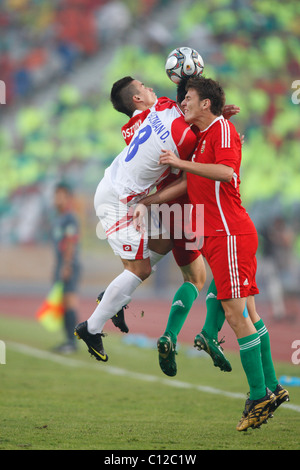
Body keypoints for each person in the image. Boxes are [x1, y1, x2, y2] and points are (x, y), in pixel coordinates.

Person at [154, 76, 289, 431]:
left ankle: (258, 395)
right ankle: (272, 386)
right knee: (250, 313)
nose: (183, 102)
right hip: (219, 236)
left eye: (190, 98)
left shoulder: (221, 131)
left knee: (235, 315)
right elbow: (190, 181)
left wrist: (181, 163)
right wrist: (146, 202)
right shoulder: (204, 139)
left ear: (206, 104)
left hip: (229, 234)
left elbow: (227, 172)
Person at [74, 77, 206, 364]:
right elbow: (186, 174)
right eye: (143, 86)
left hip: (123, 193)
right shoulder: (168, 116)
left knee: (165, 240)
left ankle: (115, 297)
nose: (149, 87)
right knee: (140, 270)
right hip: (118, 201)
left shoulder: (148, 115)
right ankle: (91, 328)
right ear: (136, 99)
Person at [52, 182, 81, 353]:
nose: (56, 199)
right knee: (63, 303)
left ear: (67, 197)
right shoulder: (59, 217)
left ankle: (72, 342)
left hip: (69, 265)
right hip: (61, 264)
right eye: (55, 195)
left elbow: (71, 242)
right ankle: (67, 340)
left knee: (70, 302)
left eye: (60, 195)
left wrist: (67, 265)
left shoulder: (70, 217)